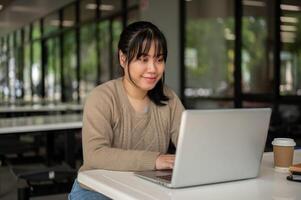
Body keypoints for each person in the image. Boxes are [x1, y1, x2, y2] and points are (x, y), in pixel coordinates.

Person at [68, 21, 184, 200]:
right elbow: (95, 154)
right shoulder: (102, 97)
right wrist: (155, 159)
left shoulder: (168, 98)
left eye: (159, 59)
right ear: (123, 59)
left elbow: (189, 144)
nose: (153, 69)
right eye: (143, 59)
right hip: (97, 190)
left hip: (144, 188)